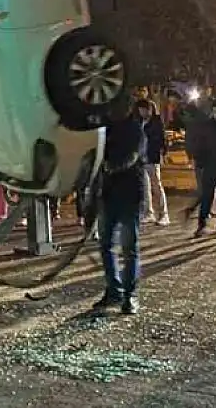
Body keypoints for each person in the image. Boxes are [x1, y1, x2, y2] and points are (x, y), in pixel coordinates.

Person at [92, 95, 147, 314]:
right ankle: (114, 290)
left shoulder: (135, 131)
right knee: (106, 245)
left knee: (128, 248)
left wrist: (108, 167)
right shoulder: (105, 129)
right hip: (108, 194)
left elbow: (132, 157)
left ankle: (130, 295)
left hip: (130, 194)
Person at [188, 100, 216, 237]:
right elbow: (199, 145)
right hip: (209, 167)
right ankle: (202, 225)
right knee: (207, 197)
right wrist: (200, 162)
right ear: (212, 112)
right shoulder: (205, 127)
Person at [136, 98, 169, 226]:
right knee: (145, 186)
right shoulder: (139, 122)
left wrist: (161, 154)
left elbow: (161, 140)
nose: (142, 112)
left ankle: (163, 214)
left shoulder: (156, 122)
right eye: (141, 110)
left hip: (152, 157)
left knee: (156, 186)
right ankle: (148, 213)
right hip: (141, 158)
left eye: (145, 109)